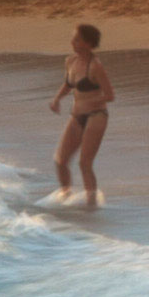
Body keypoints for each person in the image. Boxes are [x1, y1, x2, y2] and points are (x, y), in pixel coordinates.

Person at [49, 25, 112, 207]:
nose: (72, 42)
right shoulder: (70, 61)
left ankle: (91, 206)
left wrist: (92, 103)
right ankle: (66, 198)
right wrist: (57, 99)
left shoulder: (96, 66)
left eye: (77, 39)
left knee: (85, 163)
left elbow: (110, 95)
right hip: (77, 116)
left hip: (97, 115)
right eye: (73, 38)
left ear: (88, 43)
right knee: (60, 161)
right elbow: (69, 84)